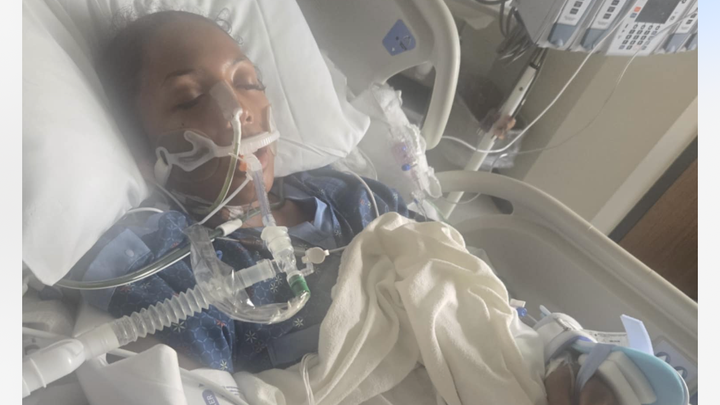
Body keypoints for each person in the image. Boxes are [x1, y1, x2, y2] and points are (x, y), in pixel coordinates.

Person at [84, 9, 620, 404]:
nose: (236, 110)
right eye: (188, 98)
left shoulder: (349, 194)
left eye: (247, 82)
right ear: (144, 148)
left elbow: (457, 284)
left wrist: (551, 351)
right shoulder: (173, 265)